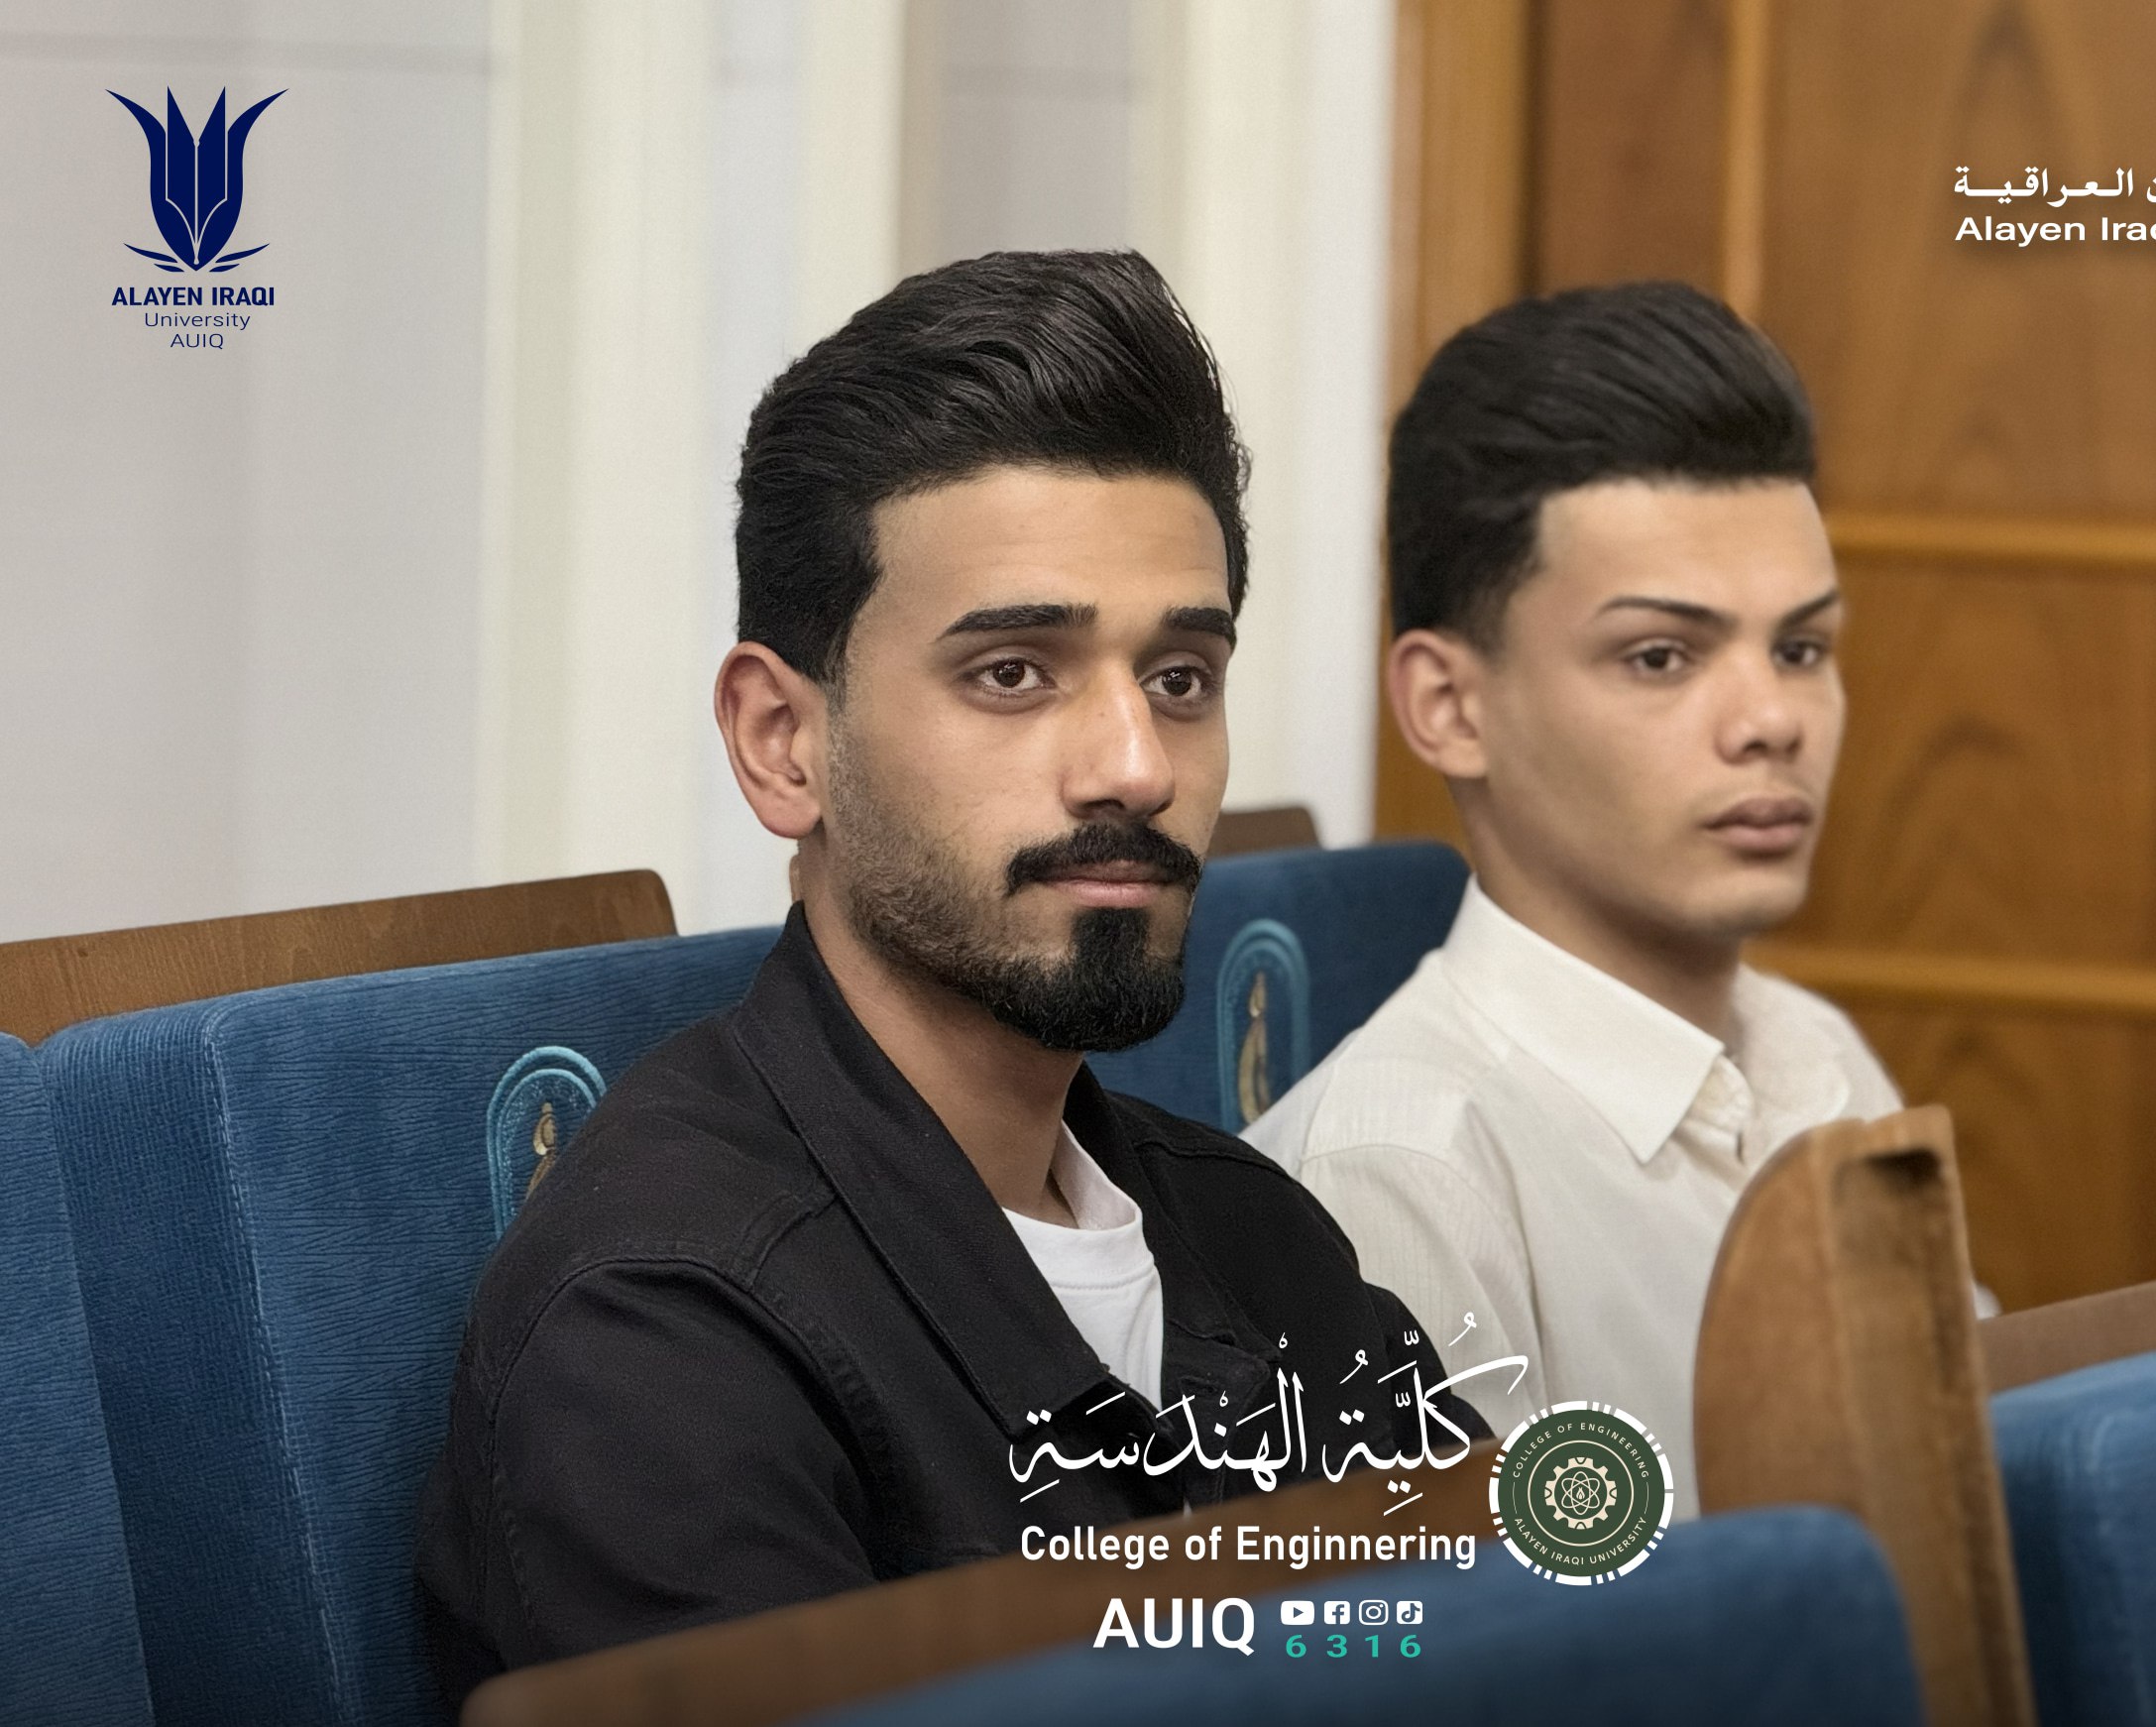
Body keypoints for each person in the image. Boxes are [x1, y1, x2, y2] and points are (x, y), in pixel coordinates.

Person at [416, 250, 1475, 1697]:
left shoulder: (1261, 1237)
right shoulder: (657, 1336)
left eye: (1180, 677)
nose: (1136, 765)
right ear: (783, 742)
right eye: (1013, 672)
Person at [1245, 282, 1905, 1474]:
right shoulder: (1397, 1178)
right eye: (1659, 655)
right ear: (1450, 707)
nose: (1771, 719)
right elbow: (1476, 1601)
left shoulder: (1819, 1052)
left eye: (1800, 646)